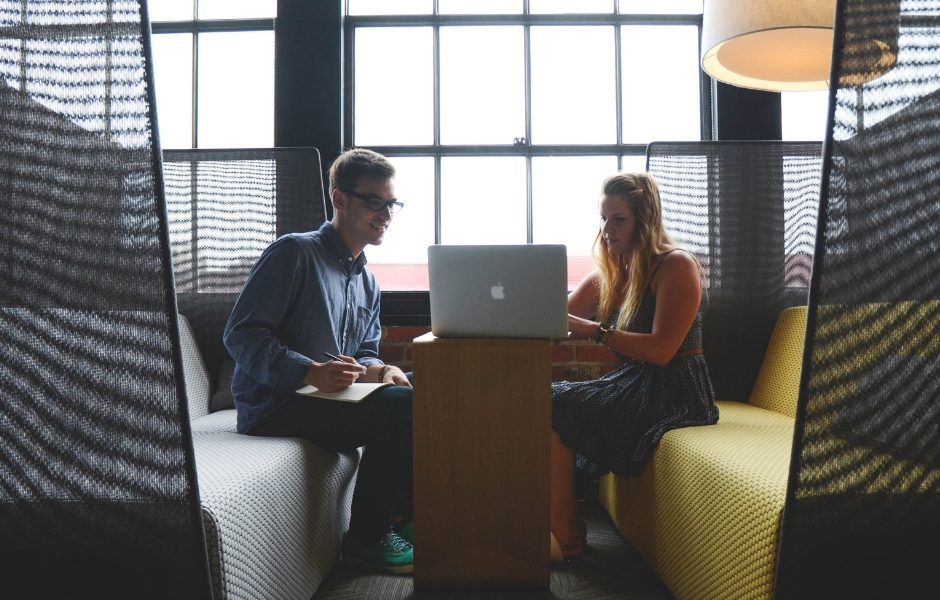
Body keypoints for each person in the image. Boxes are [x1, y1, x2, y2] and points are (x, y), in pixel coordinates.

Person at [223, 148, 415, 574]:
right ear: (340, 199)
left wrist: (379, 369)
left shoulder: (367, 280)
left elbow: (364, 350)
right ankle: (367, 540)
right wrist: (309, 372)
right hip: (277, 405)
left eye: (391, 204)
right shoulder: (293, 253)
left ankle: (404, 516)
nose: (385, 214)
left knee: (425, 388)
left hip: (331, 399)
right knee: (406, 408)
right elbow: (241, 334)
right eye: (374, 202)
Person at [550, 172, 719, 562]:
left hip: (676, 389)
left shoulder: (675, 266)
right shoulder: (610, 273)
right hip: (633, 382)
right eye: (603, 218)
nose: (607, 229)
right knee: (548, 399)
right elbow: (555, 319)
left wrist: (596, 331)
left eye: (618, 219)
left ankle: (565, 530)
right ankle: (563, 523)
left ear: (645, 221)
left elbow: (662, 351)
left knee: (555, 403)